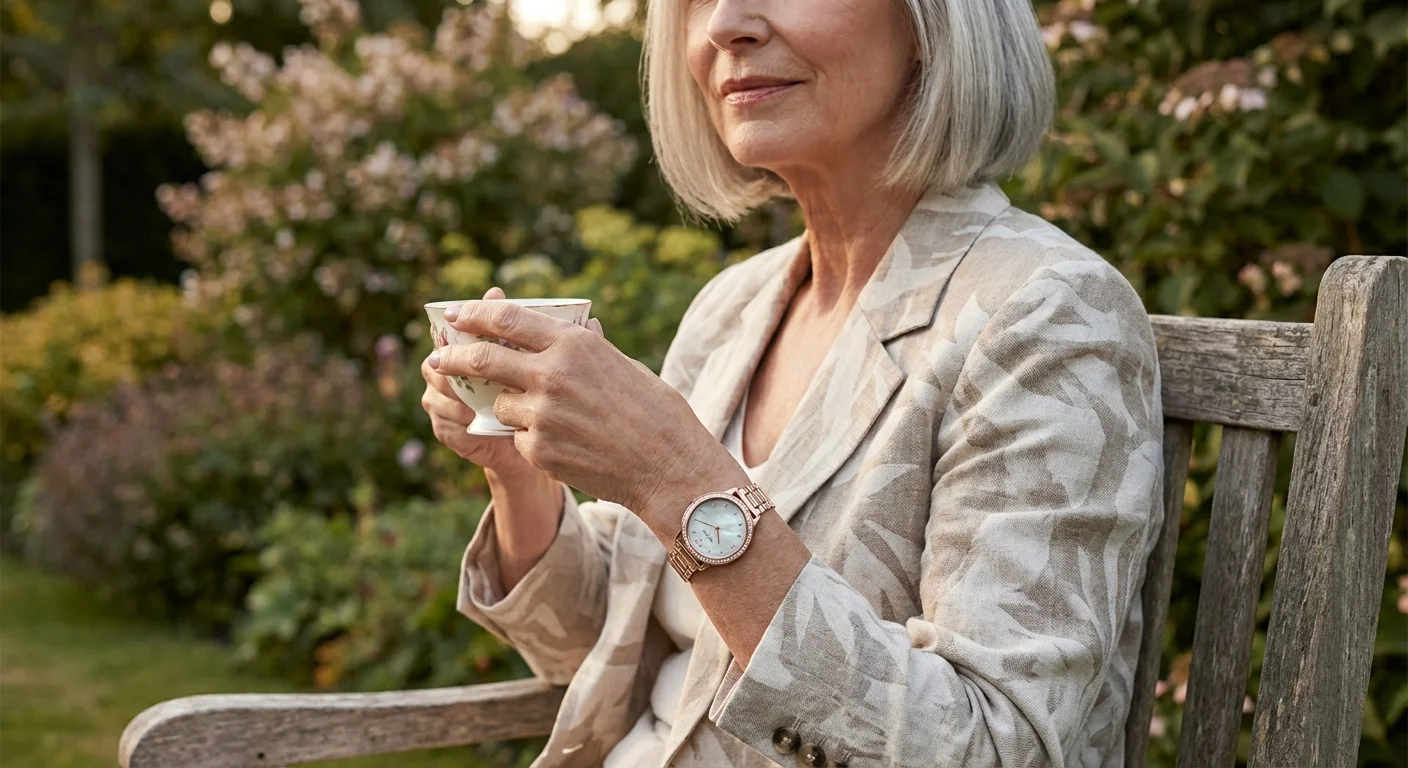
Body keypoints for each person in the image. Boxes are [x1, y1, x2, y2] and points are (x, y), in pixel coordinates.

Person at [418, 0, 1164, 764]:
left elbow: (997, 746)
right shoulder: (735, 306)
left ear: (931, 21)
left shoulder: (1046, 312)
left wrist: (676, 480)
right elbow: (606, 655)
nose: (723, 25)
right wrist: (517, 471)